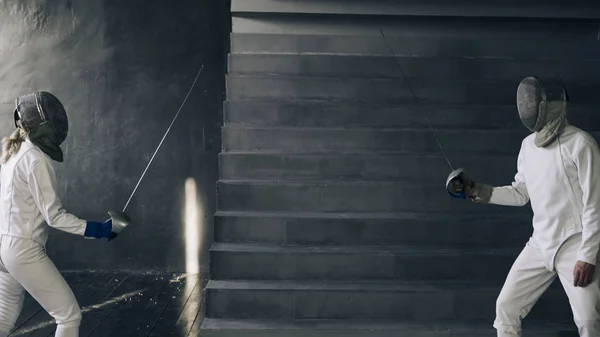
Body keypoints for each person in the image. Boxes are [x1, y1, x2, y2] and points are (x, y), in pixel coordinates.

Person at [446, 76, 600, 337]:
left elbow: (595, 204)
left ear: (549, 105)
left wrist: (587, 256)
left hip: (574, 242)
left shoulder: (581, 144)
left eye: (531, 101)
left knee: (588, 321)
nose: (526, 106)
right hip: (540, 244)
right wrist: (476, 190)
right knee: (506, 307)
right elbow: (520, 193)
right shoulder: (528, 146)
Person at [0, 92, 130, 337]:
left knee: (2, 319)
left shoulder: (11, 153)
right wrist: (101, 230)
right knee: (69, 316)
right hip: (22, 250)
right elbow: (54, 216)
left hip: (3, 247)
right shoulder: (35, 160)